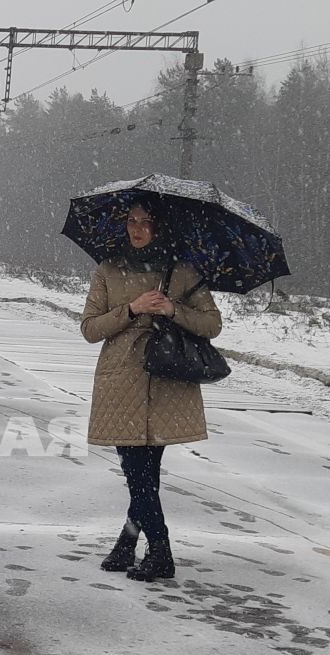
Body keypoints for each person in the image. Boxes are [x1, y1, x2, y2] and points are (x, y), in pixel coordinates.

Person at [79, 198, 223, 582]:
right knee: (137, 473)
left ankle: (147, 550)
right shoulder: (109, 270)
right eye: (131, 221)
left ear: (160, 227)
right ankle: (146, 548)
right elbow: (90, 329)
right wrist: (132, 308)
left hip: (165, 380)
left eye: (145, 222)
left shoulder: (182, 273)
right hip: (121, 381)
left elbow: (212, 325)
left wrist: (172, 310)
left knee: (145, 474)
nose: (136, 228)